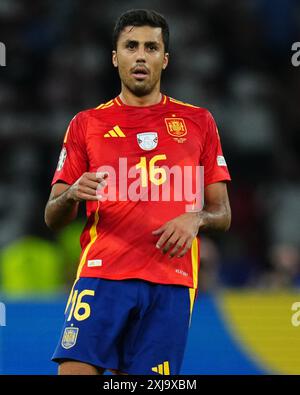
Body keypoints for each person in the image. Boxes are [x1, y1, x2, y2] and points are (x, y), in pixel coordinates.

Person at [45, 9, 231, 375]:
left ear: (165, 58)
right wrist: (69, 196)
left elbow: (222, 214)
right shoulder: (86, 124)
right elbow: (52, 216)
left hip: (171, 283)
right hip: (102, 276)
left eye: (152, 47)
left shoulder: (199, 122)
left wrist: (196, 218)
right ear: (116, 58)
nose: (141, 55)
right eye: (131, 46)